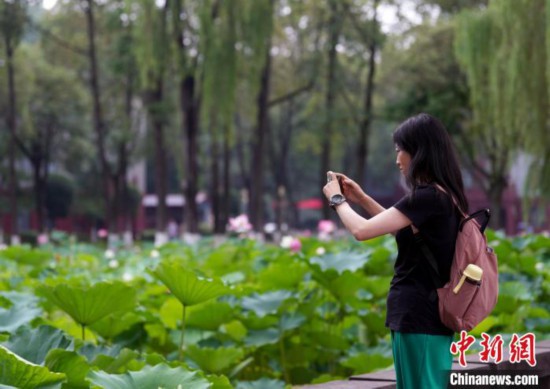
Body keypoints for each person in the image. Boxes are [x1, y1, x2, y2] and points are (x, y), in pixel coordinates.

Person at [323, 113, 467, 389]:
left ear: (419, 151)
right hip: (421, 316)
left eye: (400, 150)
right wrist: (361, 198)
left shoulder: (427, 197)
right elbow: (398, 229)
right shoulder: (441, 195)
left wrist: (337, 200)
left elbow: (362, 231)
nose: (397, 159)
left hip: (420, 316)